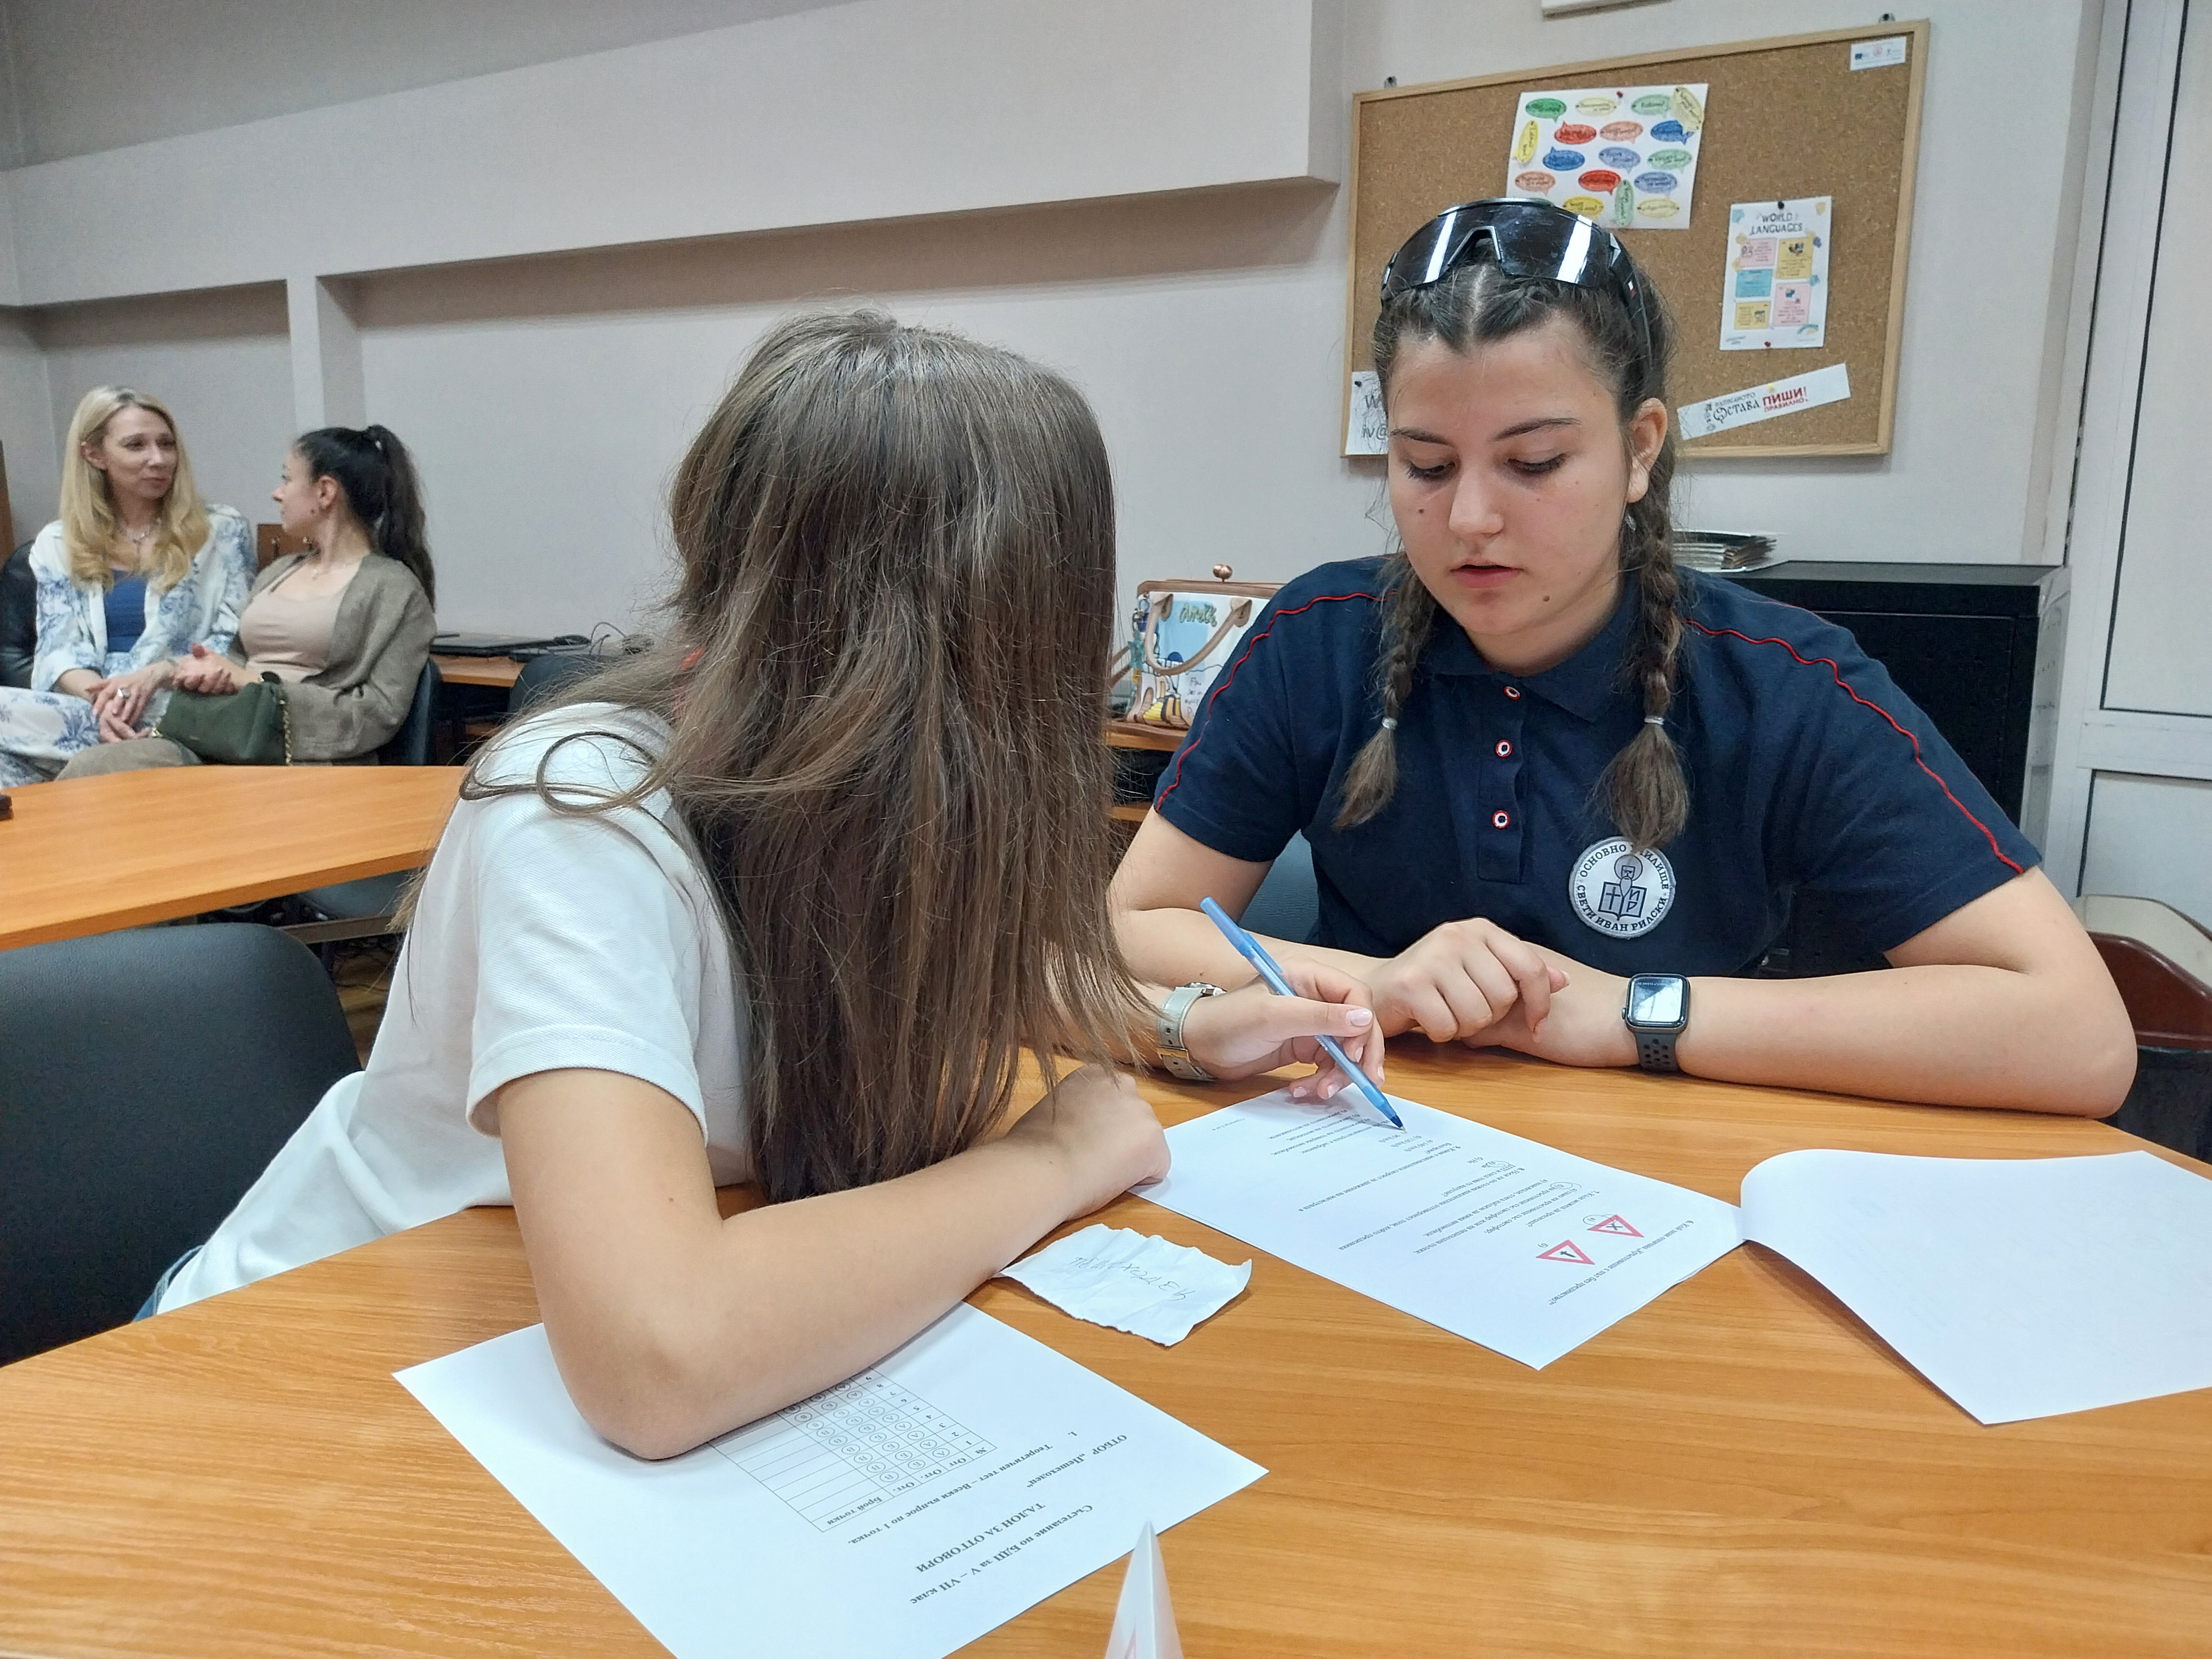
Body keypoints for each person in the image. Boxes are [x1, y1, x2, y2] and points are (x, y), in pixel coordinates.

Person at [146, 312, 1382, 1459]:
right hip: (291, 1373)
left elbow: (961, 965)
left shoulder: (845, 790)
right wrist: (1054, 1158)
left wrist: (1177, 1026)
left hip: (525, 1370)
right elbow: (658, 1355)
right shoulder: (578, 807)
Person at [1112, 198, 2135, 1117]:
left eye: (1535, 462)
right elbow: (1133, 920)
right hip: (1367, 1141)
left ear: (1641, 447)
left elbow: (2079, 1034)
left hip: (1671, 1167)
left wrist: (1623, 1012)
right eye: (1426, 464)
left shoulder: (1782, 683)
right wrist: (1368, 985)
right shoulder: (1318, 637)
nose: (1469, 518)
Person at [60, 425, 436, 775]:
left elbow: (380, 714)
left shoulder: (395, 590)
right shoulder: (280, 571)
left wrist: (256, 688)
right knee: (92, 770)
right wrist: (197, 673)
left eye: (287, 479)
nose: (277, 493)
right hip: (226, 738)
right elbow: (237, 660)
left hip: (302, 757)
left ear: (325, 492)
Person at [0, 387, 252, 785]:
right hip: (93, 706)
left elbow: (233, 638)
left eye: (166, 444)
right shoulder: (57, 543)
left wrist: (157, 674)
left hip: (183, 702)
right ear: (94, 454)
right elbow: (59, 650)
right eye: (136, 446)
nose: (159, 459)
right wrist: (108, 701)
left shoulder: (221, 530)